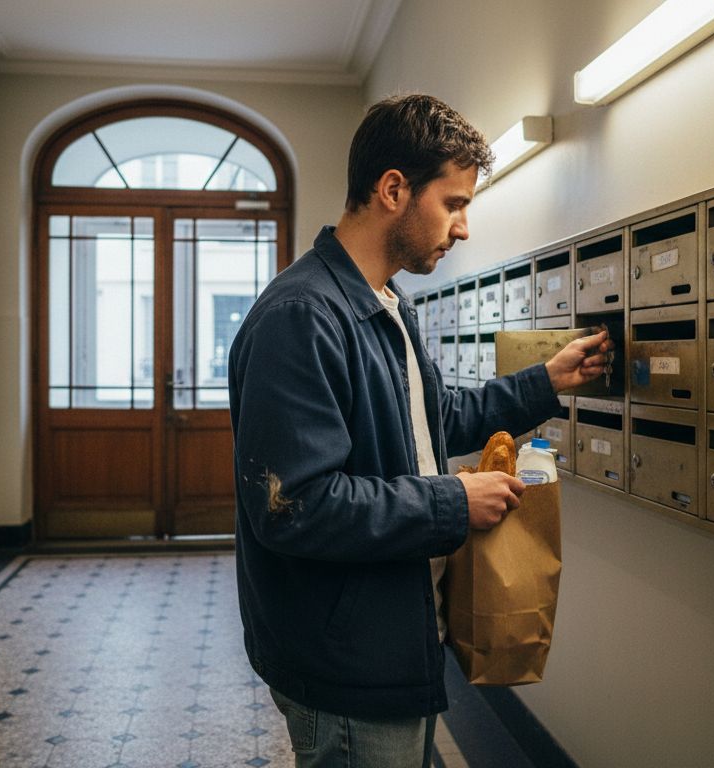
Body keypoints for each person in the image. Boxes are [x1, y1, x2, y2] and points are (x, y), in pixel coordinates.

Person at [228, 94, 612, 767]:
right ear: (394, 189)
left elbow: (432, 425)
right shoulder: (302, 317)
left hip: (392, 631)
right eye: (455, 203)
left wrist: (545, 382)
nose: (463, 228)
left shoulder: (383, 304)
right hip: (344, 656)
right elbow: (294, 507)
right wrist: (453, 503)